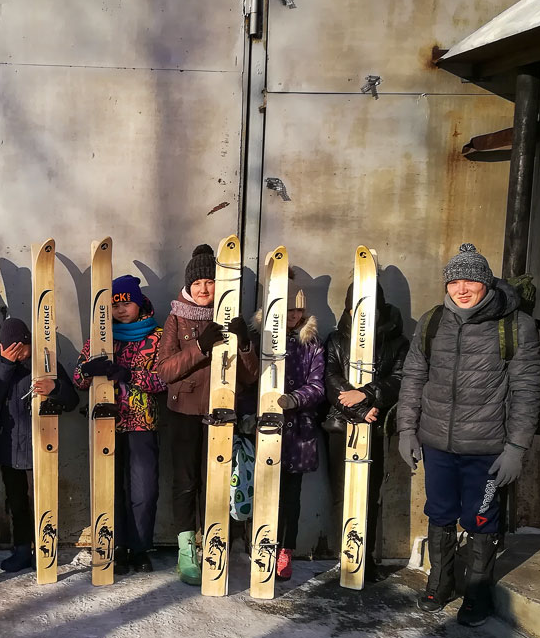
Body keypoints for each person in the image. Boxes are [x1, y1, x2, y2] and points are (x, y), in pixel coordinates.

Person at [397, 243, 540, 626]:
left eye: (470, 281)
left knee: (480, 518)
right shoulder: (432, 322)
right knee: (440, 512)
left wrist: (516, 447)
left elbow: (527, 389)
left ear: (486, 283)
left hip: (487, 448)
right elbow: (413, 377)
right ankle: (440, 583)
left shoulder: (515, 326)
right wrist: (406, 429)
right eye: (454, 281)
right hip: (437, 443)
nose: (461, 289)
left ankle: (478, 593)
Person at [155, 244, 259, 585]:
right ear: (189, 285)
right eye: (197, 282)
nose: (203, 288)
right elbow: (165, 370)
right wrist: (200, 347)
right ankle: (186, 551)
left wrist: (244, 345)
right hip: (184, 413)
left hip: (221, 413)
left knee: (216, 483)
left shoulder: (231, 317)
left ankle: (214, 545)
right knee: (186, 483)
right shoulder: (177, 318)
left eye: (209, 282)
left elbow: (250, 377)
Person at [73, 274, 167, 573]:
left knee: (144, 490)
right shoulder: (100, 337)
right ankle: (117, 545)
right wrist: (89, 369)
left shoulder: (157, 337)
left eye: (126, 303)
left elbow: (165, 380)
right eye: (114, 306)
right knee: (111, 487)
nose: (121, 310)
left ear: (139, 303)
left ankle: (140, 548)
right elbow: (78, 379)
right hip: (106, 423)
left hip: (142, 424)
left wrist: (129, 375)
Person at [323, 279, 409, 582]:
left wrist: (368, 394)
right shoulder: (336, 339)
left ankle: (365, 557)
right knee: (341, 492)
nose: (360, 315)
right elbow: (330, 378)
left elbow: (400, 379)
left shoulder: (397, 341)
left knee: (369, 493)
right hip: (341, 425)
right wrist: (358, 408)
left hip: (376, 426)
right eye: (354, 308)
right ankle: (344, 556)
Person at [0, 317, 79, 572]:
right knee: (17, 503)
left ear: (29, 342)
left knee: (42, 499)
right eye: (10, 349)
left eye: (20, 348)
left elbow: (72, 401)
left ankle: (46, 547)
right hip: (9, 448)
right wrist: (5, 364)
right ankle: (22, 549)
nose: (17, 354)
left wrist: (55, 387)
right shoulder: (2, 367)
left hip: (40, 447)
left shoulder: (47, 365)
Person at [260, 273, 325, 581]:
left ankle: (285, 550)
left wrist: (295, 399)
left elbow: (318, 385)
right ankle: (261, 545)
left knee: (290, 495)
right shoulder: (261, 336)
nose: (293, 315)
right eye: (287, 309)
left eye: (298, 309)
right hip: (265, 427)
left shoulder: (311, 343)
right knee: (263, 490)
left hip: (297, 429)